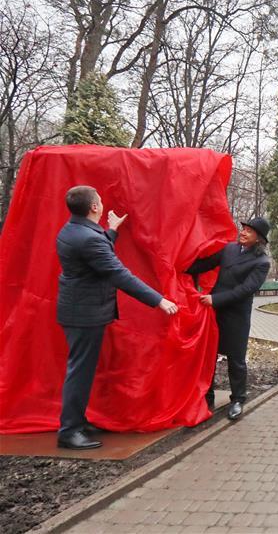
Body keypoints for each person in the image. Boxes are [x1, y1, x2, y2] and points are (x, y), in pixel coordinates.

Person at [56, 186, 179, 450]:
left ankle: (76, 420)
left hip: (76, 310)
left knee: (81, 369)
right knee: (79, 372)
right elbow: (119, 274)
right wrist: (159, 300)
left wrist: (112, 230)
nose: (102, 203)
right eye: (99, 200)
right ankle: (69, 431)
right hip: (85, 314)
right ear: (94, 208)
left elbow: (97, 257)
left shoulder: (72, 230)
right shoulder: (89, 238)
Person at [187, 217, 271, 421]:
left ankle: (238, 400)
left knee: (236, 359)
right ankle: (207, 396)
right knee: (209, 356)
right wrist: (180, 266)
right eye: (243, 228)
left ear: (259, 238)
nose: (243, 232)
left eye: (249, 231)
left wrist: (215, 299)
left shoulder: (262, 262)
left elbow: (246, 290)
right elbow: (205, 265)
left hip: (236, 315)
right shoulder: (229, 250)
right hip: (215, 312)